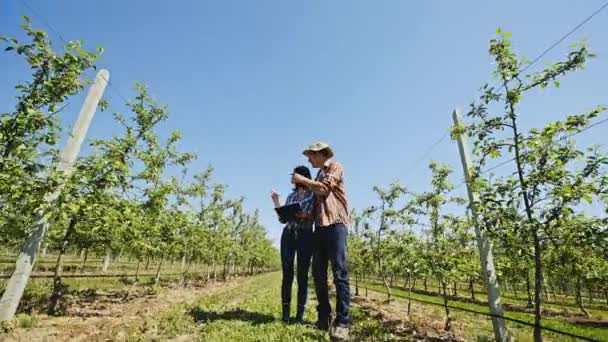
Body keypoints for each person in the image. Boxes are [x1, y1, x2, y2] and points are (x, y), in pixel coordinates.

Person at [291, 142, 350, 340]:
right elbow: (317, 206)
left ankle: (343, 322)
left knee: (339, 272)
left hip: (336, 226)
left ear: (320, 154)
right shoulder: (316, 177)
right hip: (320, 228)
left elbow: (324, 190)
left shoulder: (335, 167)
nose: (308, 159)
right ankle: (324, 316)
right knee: (317, 274)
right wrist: (298, 214)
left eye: (310, 155)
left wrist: (303, 180)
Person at [271, 165, 315, 324]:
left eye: (294, 174)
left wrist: (307, 215)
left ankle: (299, 316)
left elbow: (315, 216)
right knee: (287, 274)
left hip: (305, 235)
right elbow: (283, 219)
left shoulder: (313, 195)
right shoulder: (291, 196)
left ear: (302, 177)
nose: (292, 177)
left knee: (302, 275)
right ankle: (285, 314)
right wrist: (276, 203)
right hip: (288, 235)